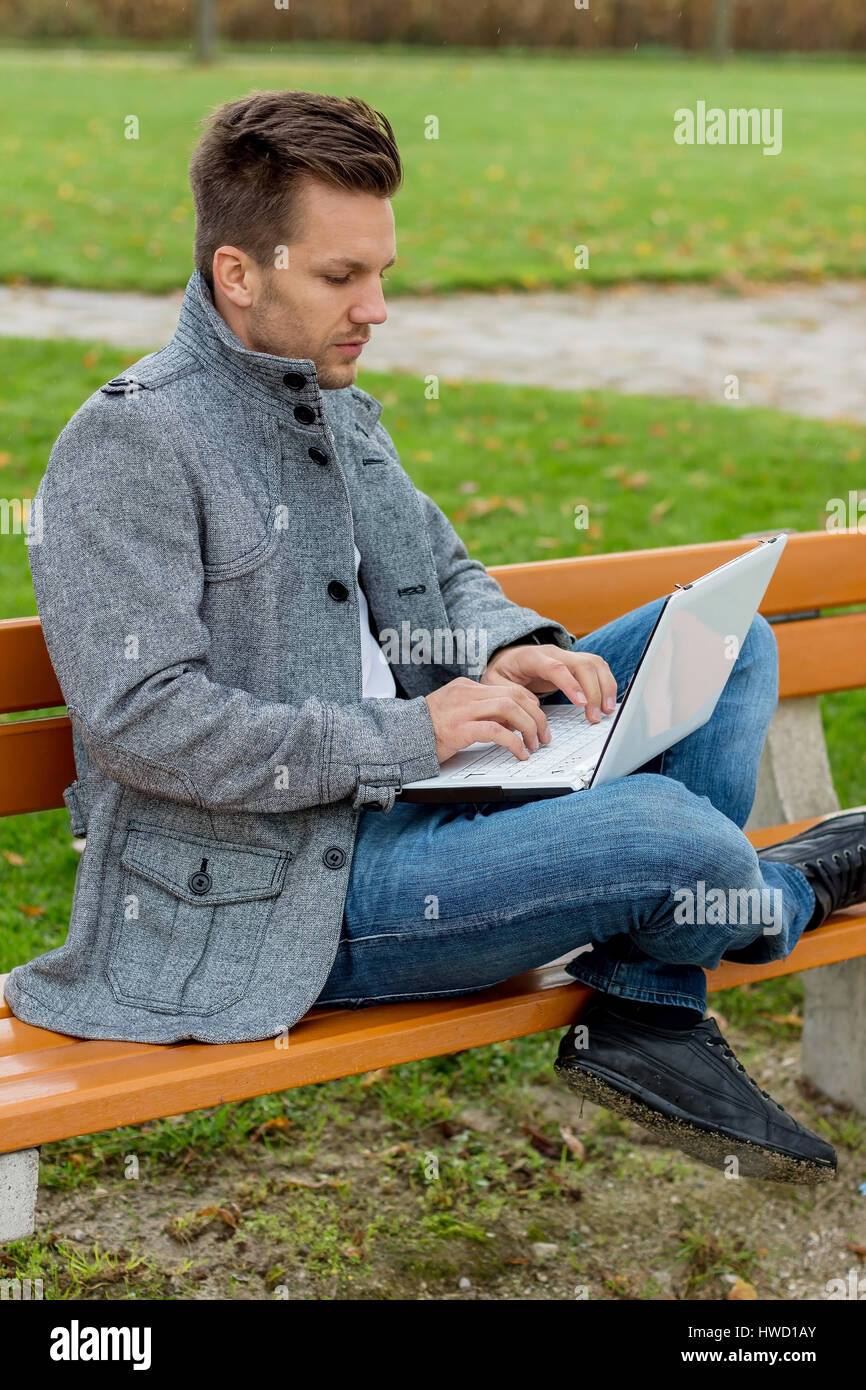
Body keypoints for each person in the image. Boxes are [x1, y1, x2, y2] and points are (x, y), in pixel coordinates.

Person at [7, 90, 865, 1187]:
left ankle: (647, 1007)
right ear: (237, 273)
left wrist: (507, 648)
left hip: (430, 799)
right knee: (682, 842)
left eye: (381, 274)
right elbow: (143, 724)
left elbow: (448, 573)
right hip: (284, 897)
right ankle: (775, 896)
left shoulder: (333, 400)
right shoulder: (130, 444)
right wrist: (412, 733)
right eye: (339, 277)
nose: (373, 308)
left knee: (727, 643)